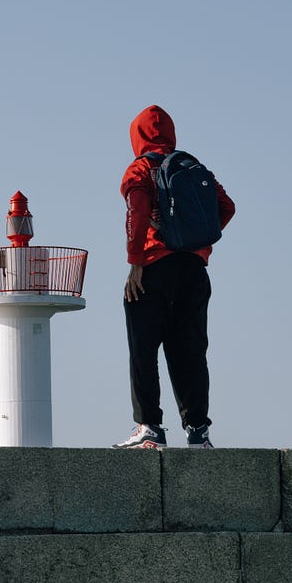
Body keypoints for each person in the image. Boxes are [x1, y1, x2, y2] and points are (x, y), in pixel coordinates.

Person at [114, 104, 235, 449]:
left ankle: (149, 427)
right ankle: (198, 431)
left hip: (153, 268)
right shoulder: (193, 167)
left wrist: (135, 262)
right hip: (194, 271)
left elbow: (136, 213)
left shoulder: (141, 168)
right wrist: (193, 238)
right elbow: (227, 207)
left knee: (143, 348)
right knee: (191, 351)